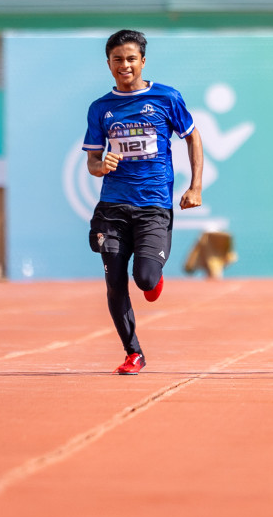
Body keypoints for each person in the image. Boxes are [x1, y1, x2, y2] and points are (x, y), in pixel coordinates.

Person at [82, 30, 204, 375]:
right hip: (113, 208)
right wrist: (99, 165)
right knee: (115, 281)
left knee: (146, 280)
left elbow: (193, 138)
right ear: (108, 63)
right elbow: (92, 162)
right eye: (117, 59)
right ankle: (133, 352)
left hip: (153, 206)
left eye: (131, 58)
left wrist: (195, 186)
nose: (125, 65)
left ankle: (154, 277)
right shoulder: (100, 109)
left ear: (143, 61)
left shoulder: (166, 98)